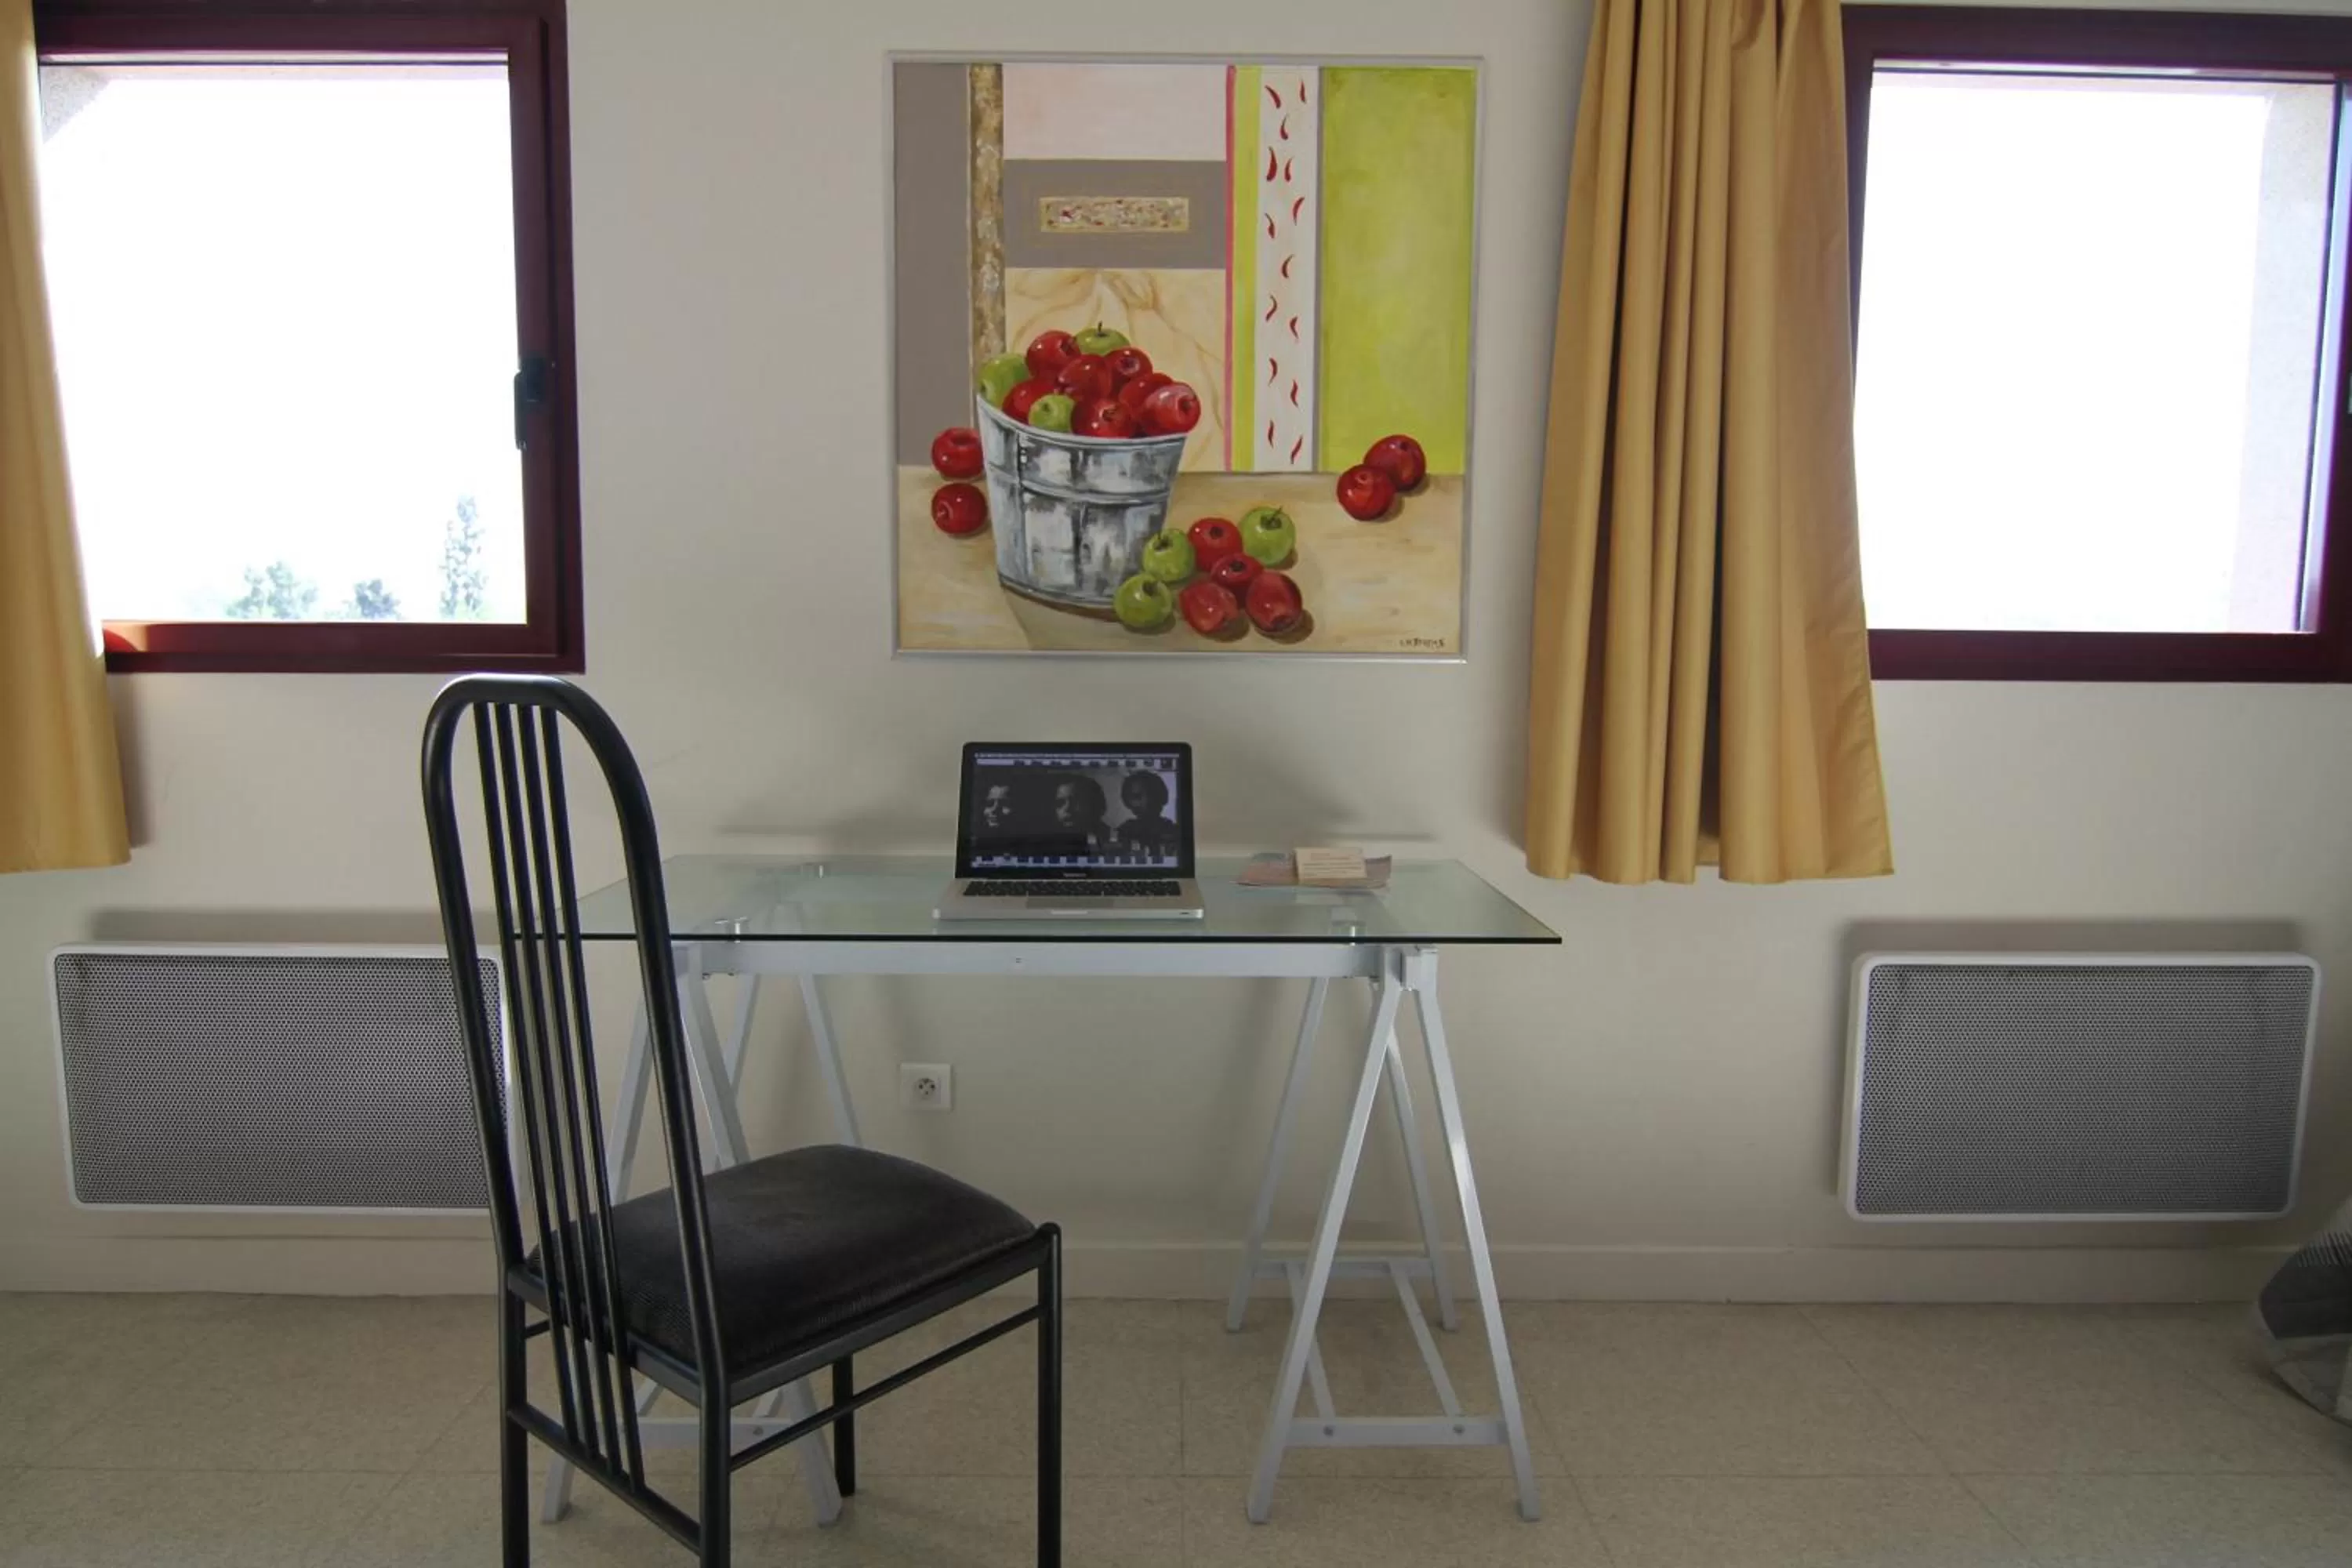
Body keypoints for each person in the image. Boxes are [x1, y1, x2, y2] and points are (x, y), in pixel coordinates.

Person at [1112, 770, 1180, 857]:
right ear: (1127, 800)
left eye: (1151, 794)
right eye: (1137, 796)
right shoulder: (1124, 832)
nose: (1146, 801)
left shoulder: (1173, 831)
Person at [1047, 773, 1109, 855]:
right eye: (1060, 803)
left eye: (1076, 801)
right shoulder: (1052, 845)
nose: (1067, 808)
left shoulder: (1114, 839)